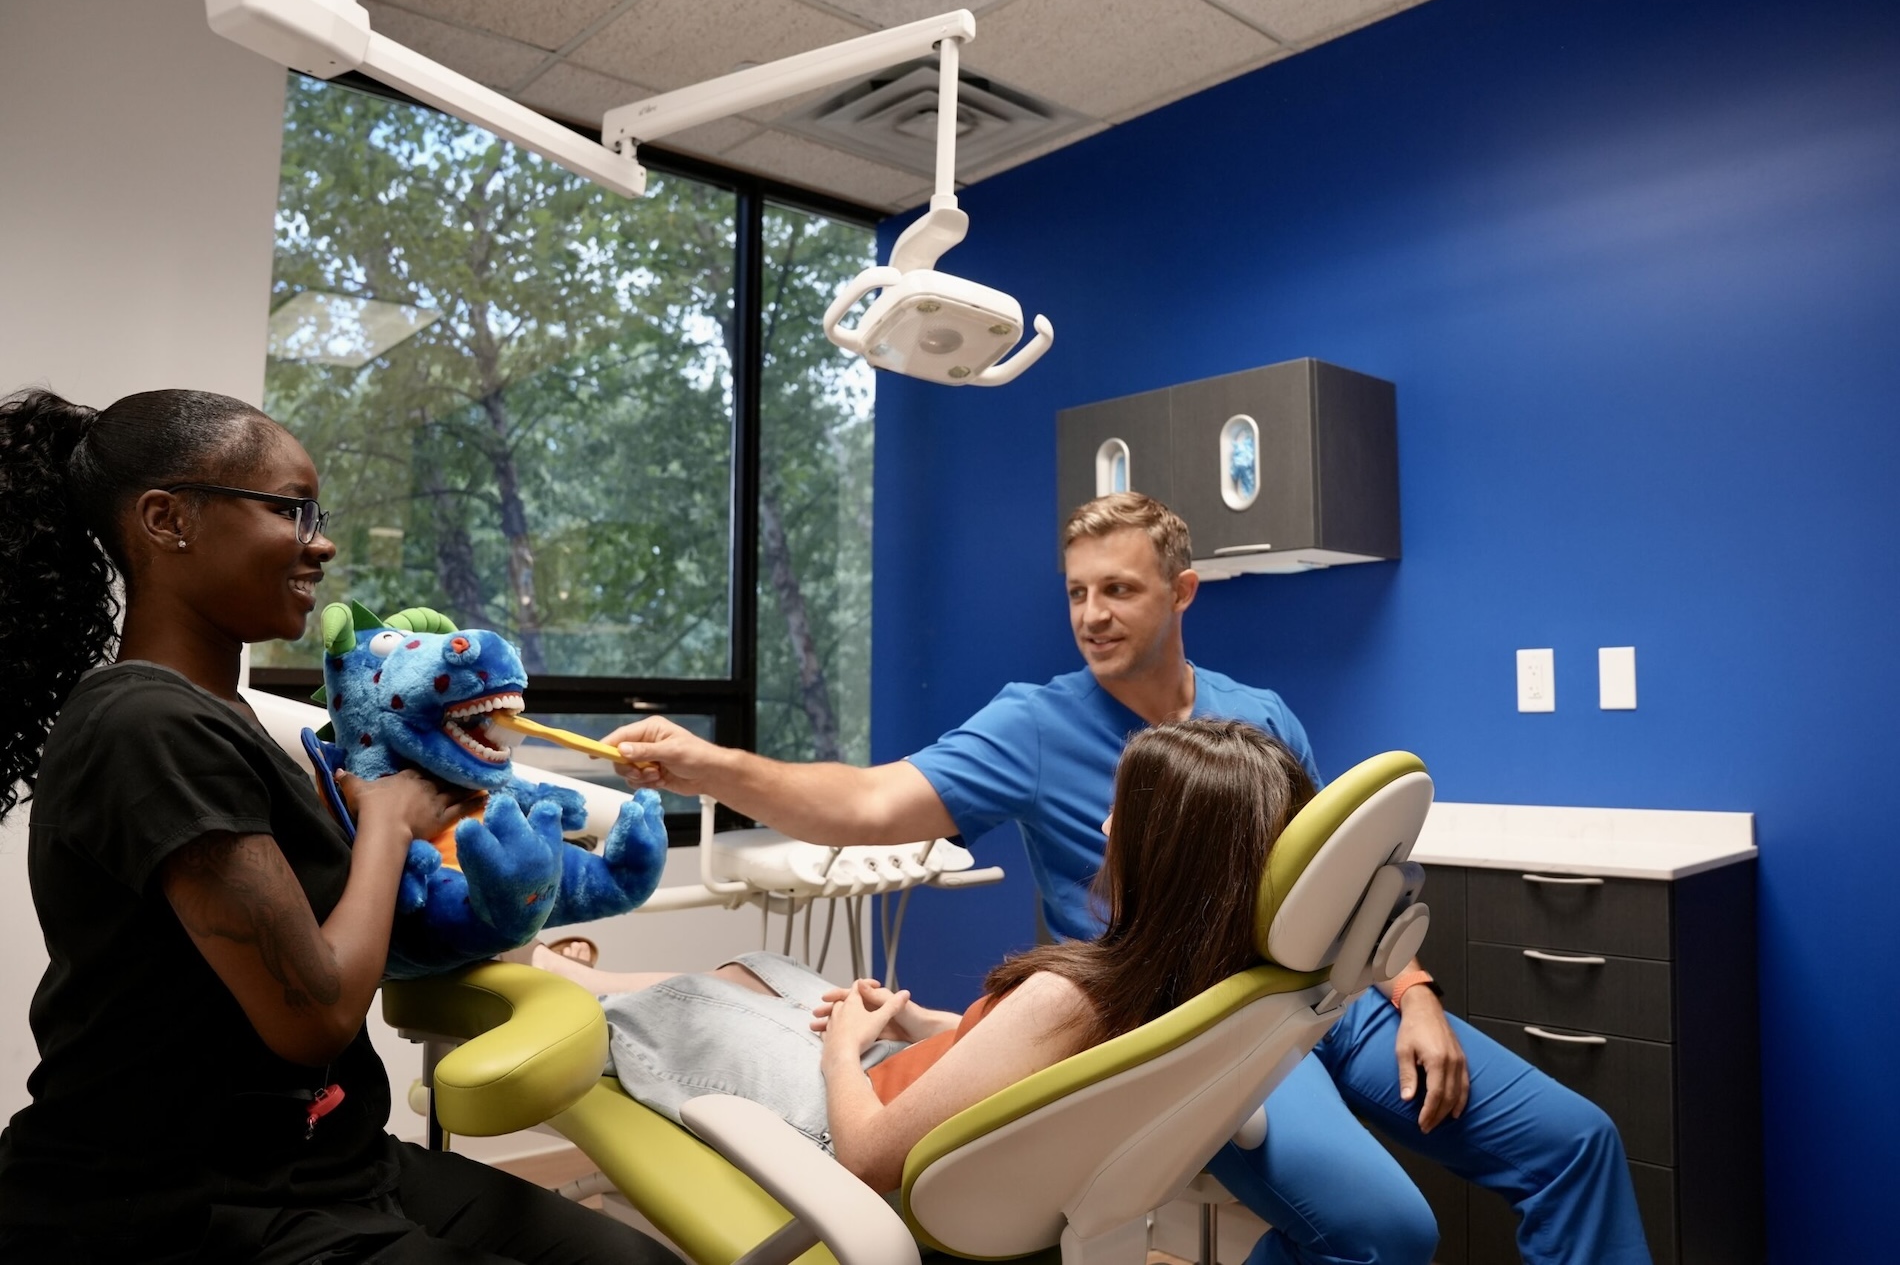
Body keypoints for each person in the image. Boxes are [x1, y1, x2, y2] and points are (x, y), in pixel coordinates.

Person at [602, 492, 1652, 1265]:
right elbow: (872, 804)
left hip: (1331, 1001)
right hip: (1205, 1027)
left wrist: (1412, 995)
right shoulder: (1034, 723)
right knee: (1382, 1231)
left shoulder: (1259, 717)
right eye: (1076, 593)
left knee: (1578, 1142)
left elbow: (1347, 880)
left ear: (1181, 592)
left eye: (1119, 589)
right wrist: (711, 765)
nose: (1092, 613)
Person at [0, 388, 674, 1265]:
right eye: (291, 510)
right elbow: (310, 1013)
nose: (320, 541)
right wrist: (390, 825)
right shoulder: (144, 726)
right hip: (180, 1199)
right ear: (168, 519)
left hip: (330, 1162)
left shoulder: (223, 717)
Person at [532, 718, 1311, 1193]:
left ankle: (552, 975)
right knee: (754, 966)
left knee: (672, 1008)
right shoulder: (1189, 986)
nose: (1106, 827)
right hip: (908, 1076)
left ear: (1166, 852)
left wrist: (846, 1050)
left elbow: (869, 1157)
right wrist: (922, 1024)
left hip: (847, 1119)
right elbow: (1045, 1071)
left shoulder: (1065, 1001)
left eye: (1124, 813)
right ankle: (596, 975)